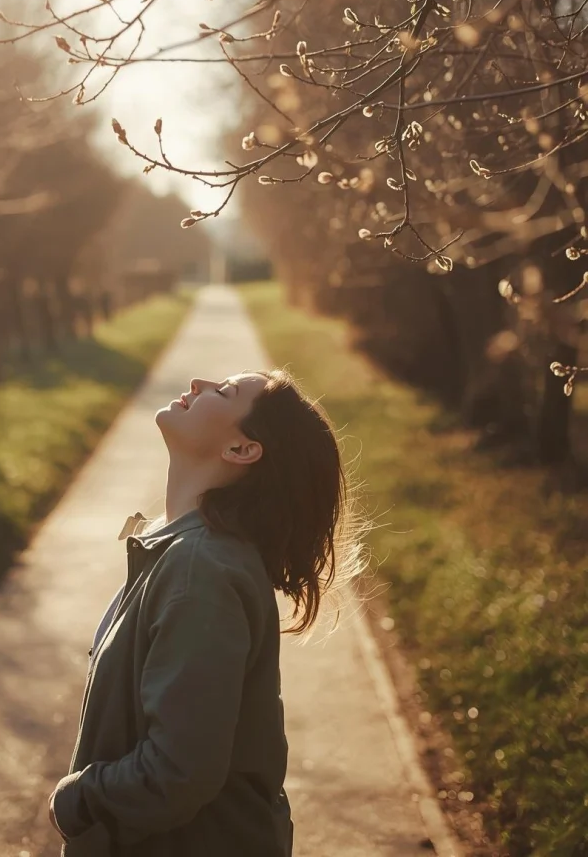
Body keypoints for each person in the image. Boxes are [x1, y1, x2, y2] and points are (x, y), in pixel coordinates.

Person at [49, 367, 368, 856]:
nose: (198, 383)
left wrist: (76, 801)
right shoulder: (184, 550)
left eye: (224, 391)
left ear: (242, 450)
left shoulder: (201, 569)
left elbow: (178, 772)